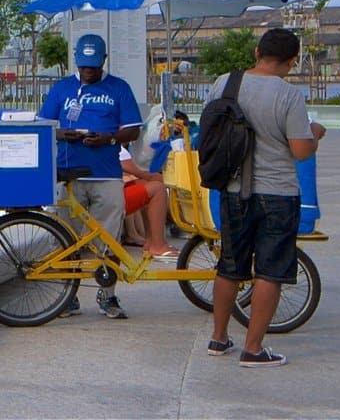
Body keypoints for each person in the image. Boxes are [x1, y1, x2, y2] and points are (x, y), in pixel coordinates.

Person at [205, 26, 324, 368]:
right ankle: (253, 349)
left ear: (257, 52)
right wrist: (315, 133)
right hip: (277, 194)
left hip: (231, 189)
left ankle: (219, 338)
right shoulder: (288, 96)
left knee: (229, 266)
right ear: (291, 61)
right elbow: (301, 151)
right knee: (270, 271)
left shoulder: (224, 82)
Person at [38, 33, 142, 318]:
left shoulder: (119, 88)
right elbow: (42, 126)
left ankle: (107, 295)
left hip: (106, 174)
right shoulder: (61, 89)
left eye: (93, 66)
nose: (88, 71)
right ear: (76, 62)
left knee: (108, 237)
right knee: (63, 236)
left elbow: (133, 129)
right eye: (84, 66)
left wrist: (109, 139)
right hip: (68, 176)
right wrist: (62, 133)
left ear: (103, 61)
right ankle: (67, 296)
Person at [120, 144, 176, 260]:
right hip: (107, 197)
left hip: (106, 191)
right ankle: (158, 245)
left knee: (145, 183)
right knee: (158, 188)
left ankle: (151, 241)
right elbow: (136, 171)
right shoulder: (110, 143)